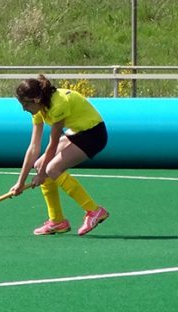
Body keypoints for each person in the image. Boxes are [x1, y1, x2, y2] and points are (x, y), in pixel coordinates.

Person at [11, 75, 110, 236]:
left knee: (52, 168)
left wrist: (42, 174)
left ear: (36, 99)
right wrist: (20, 182)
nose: (24, 108)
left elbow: (53, 143)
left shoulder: (58, 105)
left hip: (94, 134)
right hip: (77, 133)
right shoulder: (39, 109)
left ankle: (94, 210)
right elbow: (34, 147)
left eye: (25, 104)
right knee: (38, 165)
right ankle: (57, 221)